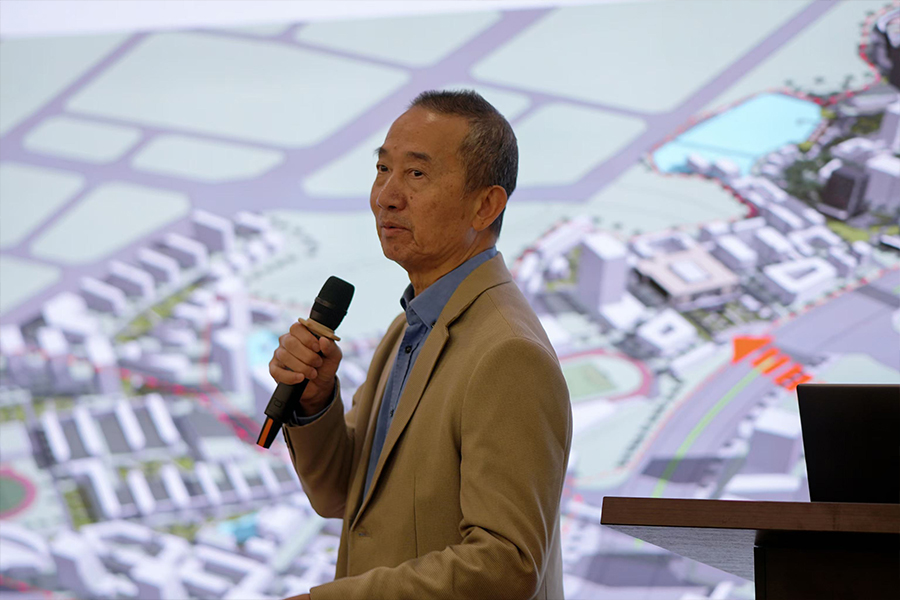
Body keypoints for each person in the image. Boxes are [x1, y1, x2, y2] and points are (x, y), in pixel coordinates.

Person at [271, 90, 572, 600]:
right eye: (382, 169)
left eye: (416, 174)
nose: (386, 196)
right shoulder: (408, 328)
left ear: (486, 205)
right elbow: (341, 494)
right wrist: (317, 401)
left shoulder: (508, 353)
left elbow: (506, 565)